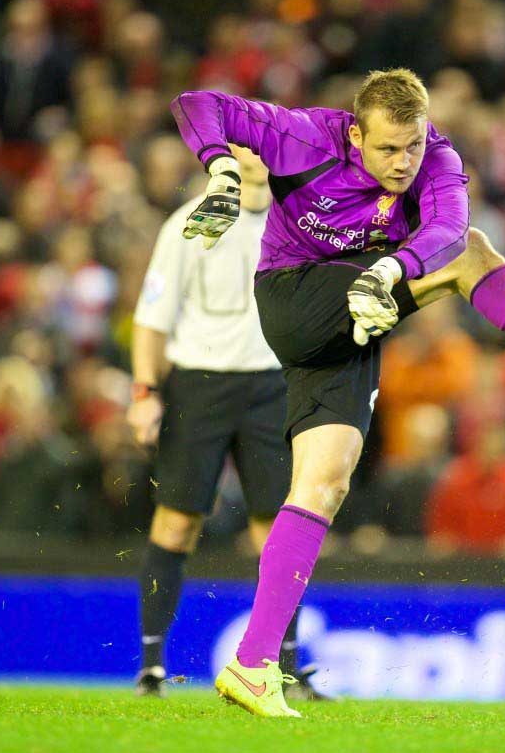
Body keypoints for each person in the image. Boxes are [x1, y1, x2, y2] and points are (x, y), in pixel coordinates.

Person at [169, 68, 505, 717]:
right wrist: (223, 173)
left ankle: (253, 664)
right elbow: (196, 103)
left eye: (413, 145)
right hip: (292, 298)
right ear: (354, 134)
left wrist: (393, 270)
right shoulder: (306, 138)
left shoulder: (440, 161)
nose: (403, 163)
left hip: (355, 322)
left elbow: (446, 230)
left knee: (324, 483)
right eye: (387, 149)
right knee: (475, 255)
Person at [126, 147, 324, 701]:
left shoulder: (300, 221)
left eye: (267, 151)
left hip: (272, 386)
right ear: (226, 161)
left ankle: (283, 669)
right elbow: (152, 318)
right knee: (176, 523)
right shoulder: (190, 223)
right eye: (246, 151)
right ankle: (151, 668)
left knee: (279, 531)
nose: (258, 162)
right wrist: (144, 390)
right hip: (200, 384)